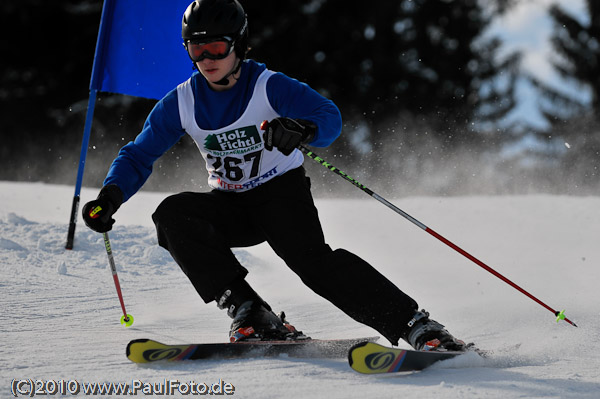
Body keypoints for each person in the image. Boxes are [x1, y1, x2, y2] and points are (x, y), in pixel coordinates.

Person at [82, 0, 468, 351]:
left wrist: (301, 130)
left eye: (217, 47)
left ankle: (416, 325)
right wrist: (110, 196)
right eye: (197, 49)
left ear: (240, 45)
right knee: (172, 214)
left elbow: (328, 117)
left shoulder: (268, 85)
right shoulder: (182, 101)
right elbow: (138, 154)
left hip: (281, 196)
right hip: (230, 203)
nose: (207, 58)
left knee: (313, 264)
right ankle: (250, 311)